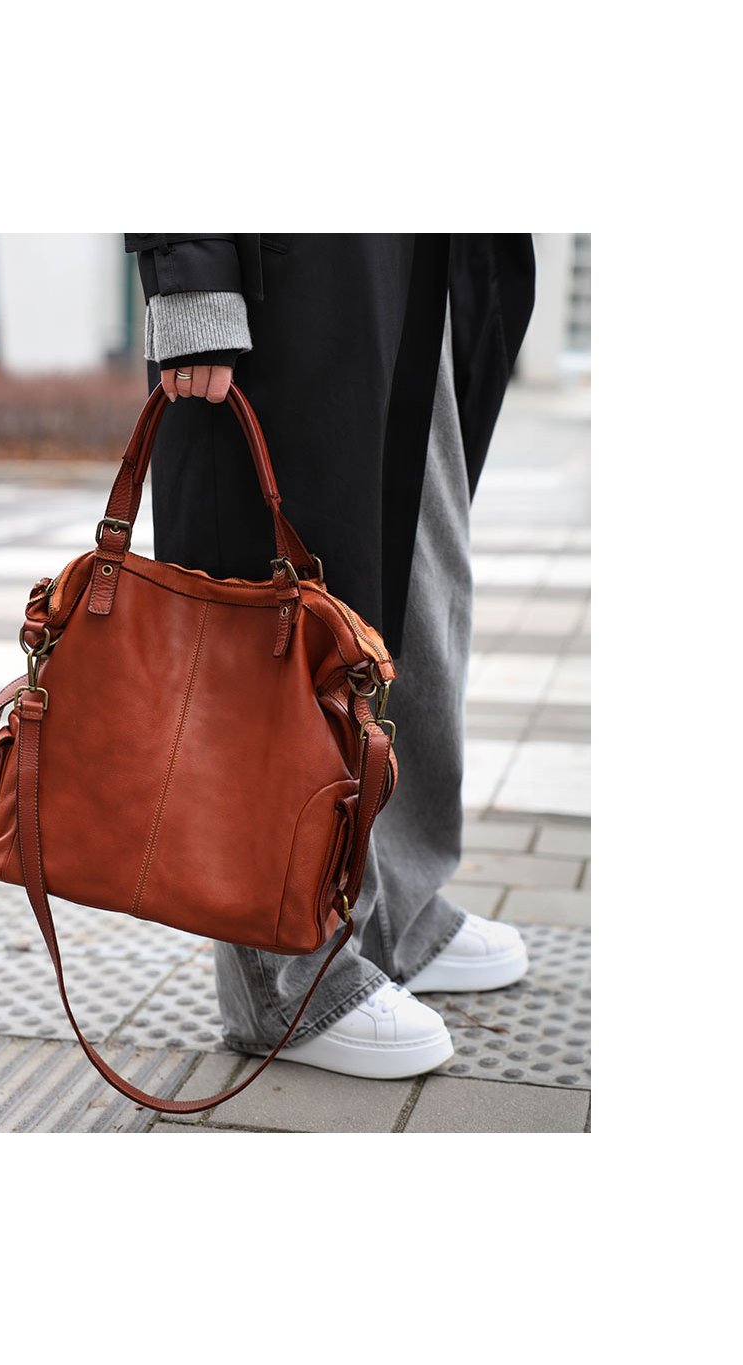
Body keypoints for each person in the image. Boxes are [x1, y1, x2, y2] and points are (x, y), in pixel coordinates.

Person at [124, 233, 536, 1079]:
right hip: (287, 256)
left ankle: (395, 912)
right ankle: (286, 977)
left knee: (414, 583)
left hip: (413, 253)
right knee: (280, 604)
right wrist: (189, 272)